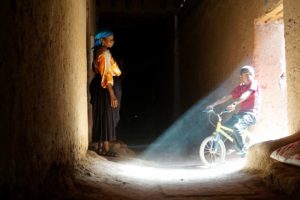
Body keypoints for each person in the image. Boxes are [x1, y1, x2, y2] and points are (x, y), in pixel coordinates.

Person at [206, 65, 261, 157]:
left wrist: (234, 104)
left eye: (251, 74)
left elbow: (246, 95)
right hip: (240, 114)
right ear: (241, 77)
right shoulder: (240, 87)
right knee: (221, 129)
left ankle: (243, 151)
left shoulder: (254, 84)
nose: (249, 76)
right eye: (246, 74)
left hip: (251, 114)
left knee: (236, 128)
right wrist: (213, 105)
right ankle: (217, 152)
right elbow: (227, 97)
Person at [89, 29, 122, 157]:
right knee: (107, 115)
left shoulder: (98, 52)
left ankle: (102, 147)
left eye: (113, 39)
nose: (112, 42)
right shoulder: (105, 54)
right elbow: (107, 75)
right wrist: (112, 94)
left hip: (99, 86)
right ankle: (105, 148)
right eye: (110, 40)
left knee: (103, 114)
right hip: (105, 87)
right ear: (102, 41)